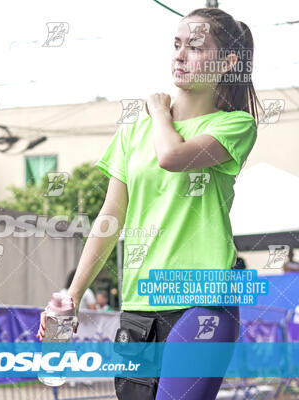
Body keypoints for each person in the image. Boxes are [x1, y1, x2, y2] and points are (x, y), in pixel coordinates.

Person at [38, 8, 259, 400]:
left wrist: (159, 112)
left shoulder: (234, 125)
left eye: (194, 46)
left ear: (227, 63)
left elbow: (172, 156)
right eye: (176, 45)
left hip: (203, 299)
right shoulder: (132, 134)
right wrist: (71, 296)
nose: (179, 55)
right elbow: (110, 218)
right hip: (139, 303)